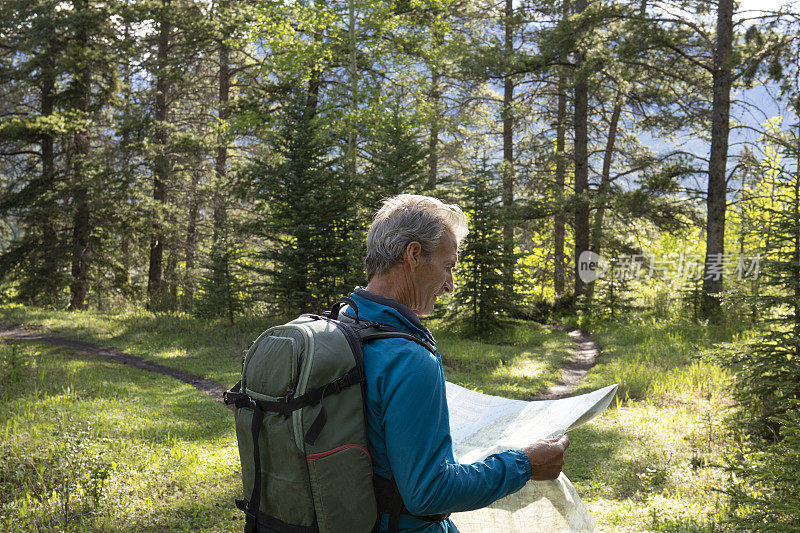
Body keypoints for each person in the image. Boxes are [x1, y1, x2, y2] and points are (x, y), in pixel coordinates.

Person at [345, 194, 570, 532]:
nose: (450, 285)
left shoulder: (346, 322)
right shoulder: (409, 358)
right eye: (448, 267)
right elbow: (429, 493)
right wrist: (525, 463)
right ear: (414, 255)